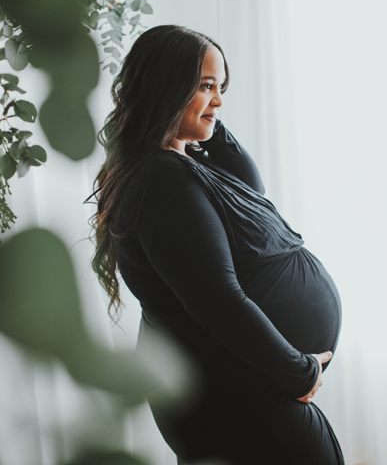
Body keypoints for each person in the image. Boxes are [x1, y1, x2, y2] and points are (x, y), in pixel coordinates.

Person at [91, 25, 344, 465]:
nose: (220, 101)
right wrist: (297, 371)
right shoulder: (162, 179)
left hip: (251, 400)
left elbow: (252, 188)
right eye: (207, 86)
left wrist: (200, 114)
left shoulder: (174, 163)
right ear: (167, 88)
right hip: (243, 410)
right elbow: (219, 300)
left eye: (220, 86)